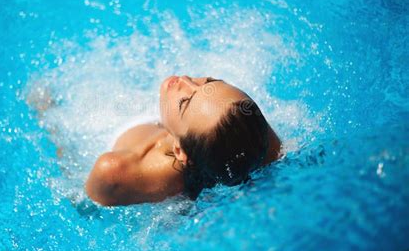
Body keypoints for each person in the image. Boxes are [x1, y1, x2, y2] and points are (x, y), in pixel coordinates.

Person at [84, 76, 282, 206]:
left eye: (183, 103)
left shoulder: (114, 170)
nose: (184, 81)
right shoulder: (250, 132)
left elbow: (83, 206)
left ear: (179, 150)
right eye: (209, 81)